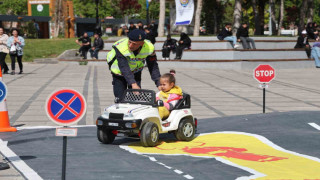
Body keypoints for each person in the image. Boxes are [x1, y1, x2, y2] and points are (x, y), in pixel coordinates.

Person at [106, 29, 161, 98]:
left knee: (135, 97)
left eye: (134, 44)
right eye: (129, 42)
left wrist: (159, 83)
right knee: (120, 98)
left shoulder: (149, 48)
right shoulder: (121, 47)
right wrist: (133, 84)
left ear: (142, 43)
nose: (130, 46)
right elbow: (124, 67)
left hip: (135, 71)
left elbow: (153, 66)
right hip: (119, 72)